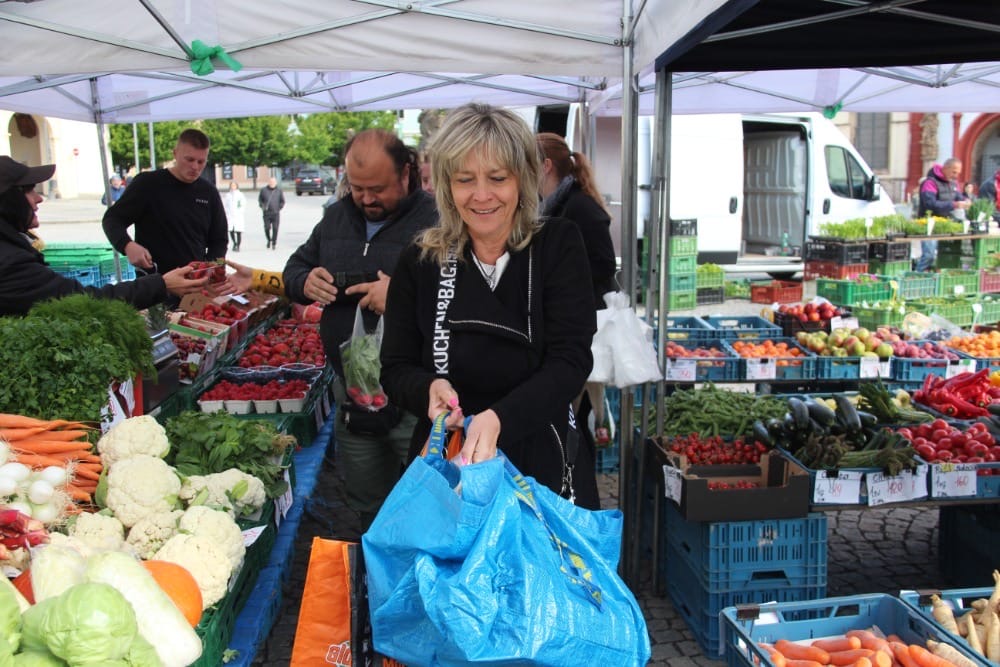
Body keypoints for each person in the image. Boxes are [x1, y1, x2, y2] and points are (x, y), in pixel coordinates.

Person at [379, 103, 601, 510]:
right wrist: (428, 389)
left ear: (522, 179)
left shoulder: (557, 245)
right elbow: (395, 368)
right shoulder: (421, 260)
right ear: (446, 185)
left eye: (497, 178)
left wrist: (500, 418)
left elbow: (571, 361)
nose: (481, 195)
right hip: (450, 465)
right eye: (465, 180)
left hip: (541, 460)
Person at [283, 129, 436, 529]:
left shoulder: (438, 221)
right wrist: (303, 281)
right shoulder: (336, 217)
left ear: (406, 174)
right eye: (357, 188)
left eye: (378, 189)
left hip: (418, 396)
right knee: (367, 502)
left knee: (430, 499)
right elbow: (295, 267)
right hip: (353, 392)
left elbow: (463, 295)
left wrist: (401, 296)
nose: (366, 199)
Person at [0, 156, 208, 316]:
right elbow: (82, 301)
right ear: (9, 200)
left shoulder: (11, 249)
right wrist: (161, 284)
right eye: (29, 190)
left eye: (201, 160)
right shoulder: (11, 264)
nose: (39, 198)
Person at [537, 132, 617, 446]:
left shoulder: (578, 207)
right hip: (569, 324)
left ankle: (577, 468)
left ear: (544, 166)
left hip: (583, 328)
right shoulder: (557, 205)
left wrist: (562, 281)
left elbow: (604, 264)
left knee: (577, 417)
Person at [102, 128, 228, 275]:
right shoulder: (148, 183)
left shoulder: (209, 192)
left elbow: (220, 240)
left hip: (195, 281)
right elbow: (112, 219)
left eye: (201, 162)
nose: (195, 167)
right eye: (189, 160)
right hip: (155, 281)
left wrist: (213, 269)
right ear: (175, 154)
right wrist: (127, 245)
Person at [915, 158, 971, 272]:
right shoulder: (930, 183)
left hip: (944, 223)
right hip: (928, 224)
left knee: (943, 256)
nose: (956, 176)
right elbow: (930, 204)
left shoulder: (953, 183)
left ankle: (933, 278)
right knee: (929, 255)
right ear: (945, 168)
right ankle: (915, 276)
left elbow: (959, 197)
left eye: (958, 173)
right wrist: (954, 204)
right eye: (954, 172)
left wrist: (966, 200)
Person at [258, 176, 285, 249]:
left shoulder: (279, 191)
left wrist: (279, 208)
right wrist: (262, 206)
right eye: (271, 182)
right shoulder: (263, 190)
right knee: (267, 228)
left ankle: (274, 242)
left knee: (275, 228)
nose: (272, 183)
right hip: (266, 213)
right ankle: (268, 239)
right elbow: (260, 200)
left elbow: (282, 201)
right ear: (268, 182)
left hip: (276, 213)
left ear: (276, 183)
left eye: (273, 182)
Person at [222, 181, 246, 252]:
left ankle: (238, 245)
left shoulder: (240, 195)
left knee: (238, 231)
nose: (233, 187)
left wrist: (240, 211)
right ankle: (234, 243)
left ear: (236, 186)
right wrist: (226, 212)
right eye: (232, 185)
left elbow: (243, 204)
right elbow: (225, 205)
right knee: (231, 230)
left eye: (234, 185)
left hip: (238, 215)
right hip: (230, 216)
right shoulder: (228, 195)